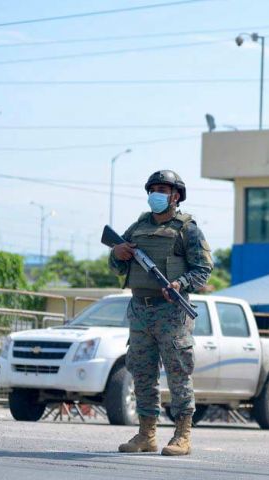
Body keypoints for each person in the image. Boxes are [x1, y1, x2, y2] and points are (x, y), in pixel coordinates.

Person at [109, 170, 213, 456]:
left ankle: (182, 435)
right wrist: (117, 253)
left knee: (179, 374)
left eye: (163, 189)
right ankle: (146, 434)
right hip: (140, 311)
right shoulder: (138, 227)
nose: (157, 193)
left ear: (175, 195)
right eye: (153, 189)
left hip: (171, 313)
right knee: (142, 373)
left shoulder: (187, 229)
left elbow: (203, 268)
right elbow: (119, 264)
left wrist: (181, 283)